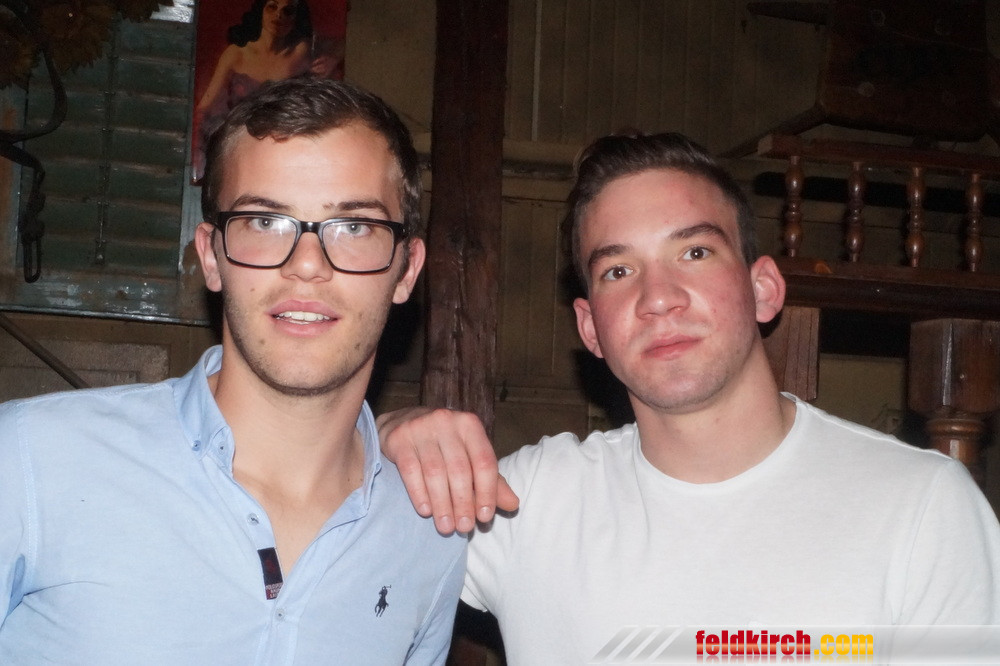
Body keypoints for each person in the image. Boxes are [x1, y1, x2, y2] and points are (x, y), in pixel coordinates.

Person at [380, 132, 1000, 663]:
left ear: (763, 289)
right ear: (590, 328)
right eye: (618, 271)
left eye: (695, 252)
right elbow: (341, 542)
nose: (658, 298)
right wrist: (385, 434)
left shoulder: (922, 508)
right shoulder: (529, 504)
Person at [0, 77, 465, 664]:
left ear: (407, 269)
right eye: (265, 222)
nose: (307, 265)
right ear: (211, 256)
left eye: (354, 227)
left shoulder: (430, 536)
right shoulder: (30, 461)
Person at [193, 0, 342, 179]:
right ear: (261, 11)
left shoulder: (302, 52)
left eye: (288, 11)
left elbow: (345, 43)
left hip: (287, 151)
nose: (279, 15)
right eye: (272, 7)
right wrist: (200, 155)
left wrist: (332, 61)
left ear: (296, 18)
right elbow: (205, 107)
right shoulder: (236, 54)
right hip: (242, 147)